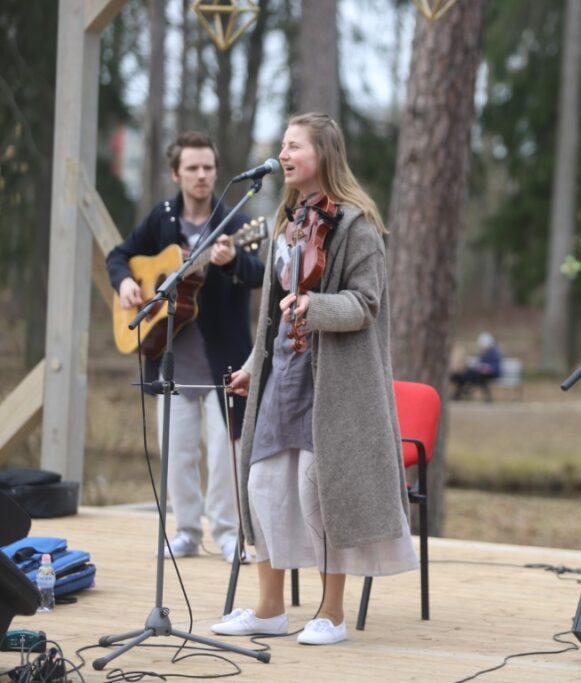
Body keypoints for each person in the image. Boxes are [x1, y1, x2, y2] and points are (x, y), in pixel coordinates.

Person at [211, 112, 418, 646]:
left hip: (333, 381)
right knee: (263, 488)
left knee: (316, 492)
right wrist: (253, 369)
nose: (283, 154)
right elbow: (270, 320)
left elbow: (365, 304)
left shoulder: (356, 226)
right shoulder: (287, 223)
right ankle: (269, 610)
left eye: (293, 146)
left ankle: (331, 612)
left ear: (322, 155)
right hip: (282, 373)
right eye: (281, 145)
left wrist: (314, 305)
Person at [106, 132, 263, 562]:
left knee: (224, 455)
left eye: (208, 167)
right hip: (170, 362)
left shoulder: (233, 223)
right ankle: (187, 532)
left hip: (223, 364)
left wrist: (232, 260)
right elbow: (121, 255)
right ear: (176, 173)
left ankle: (229, 534)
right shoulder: (164, 217)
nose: (201, 175)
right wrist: (123, 283)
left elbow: (260, 275)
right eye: (192, 168)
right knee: (176, 456)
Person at [449, 332, 503, 400]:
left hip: (491, 374)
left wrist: (489, 369)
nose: (482, 347)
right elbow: (478, 363)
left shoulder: (494, 353)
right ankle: (461, 392)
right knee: (467, 375)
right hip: (481, 373)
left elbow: (496, 366)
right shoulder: (484, 352)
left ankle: (464, 392)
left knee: (475, 377)